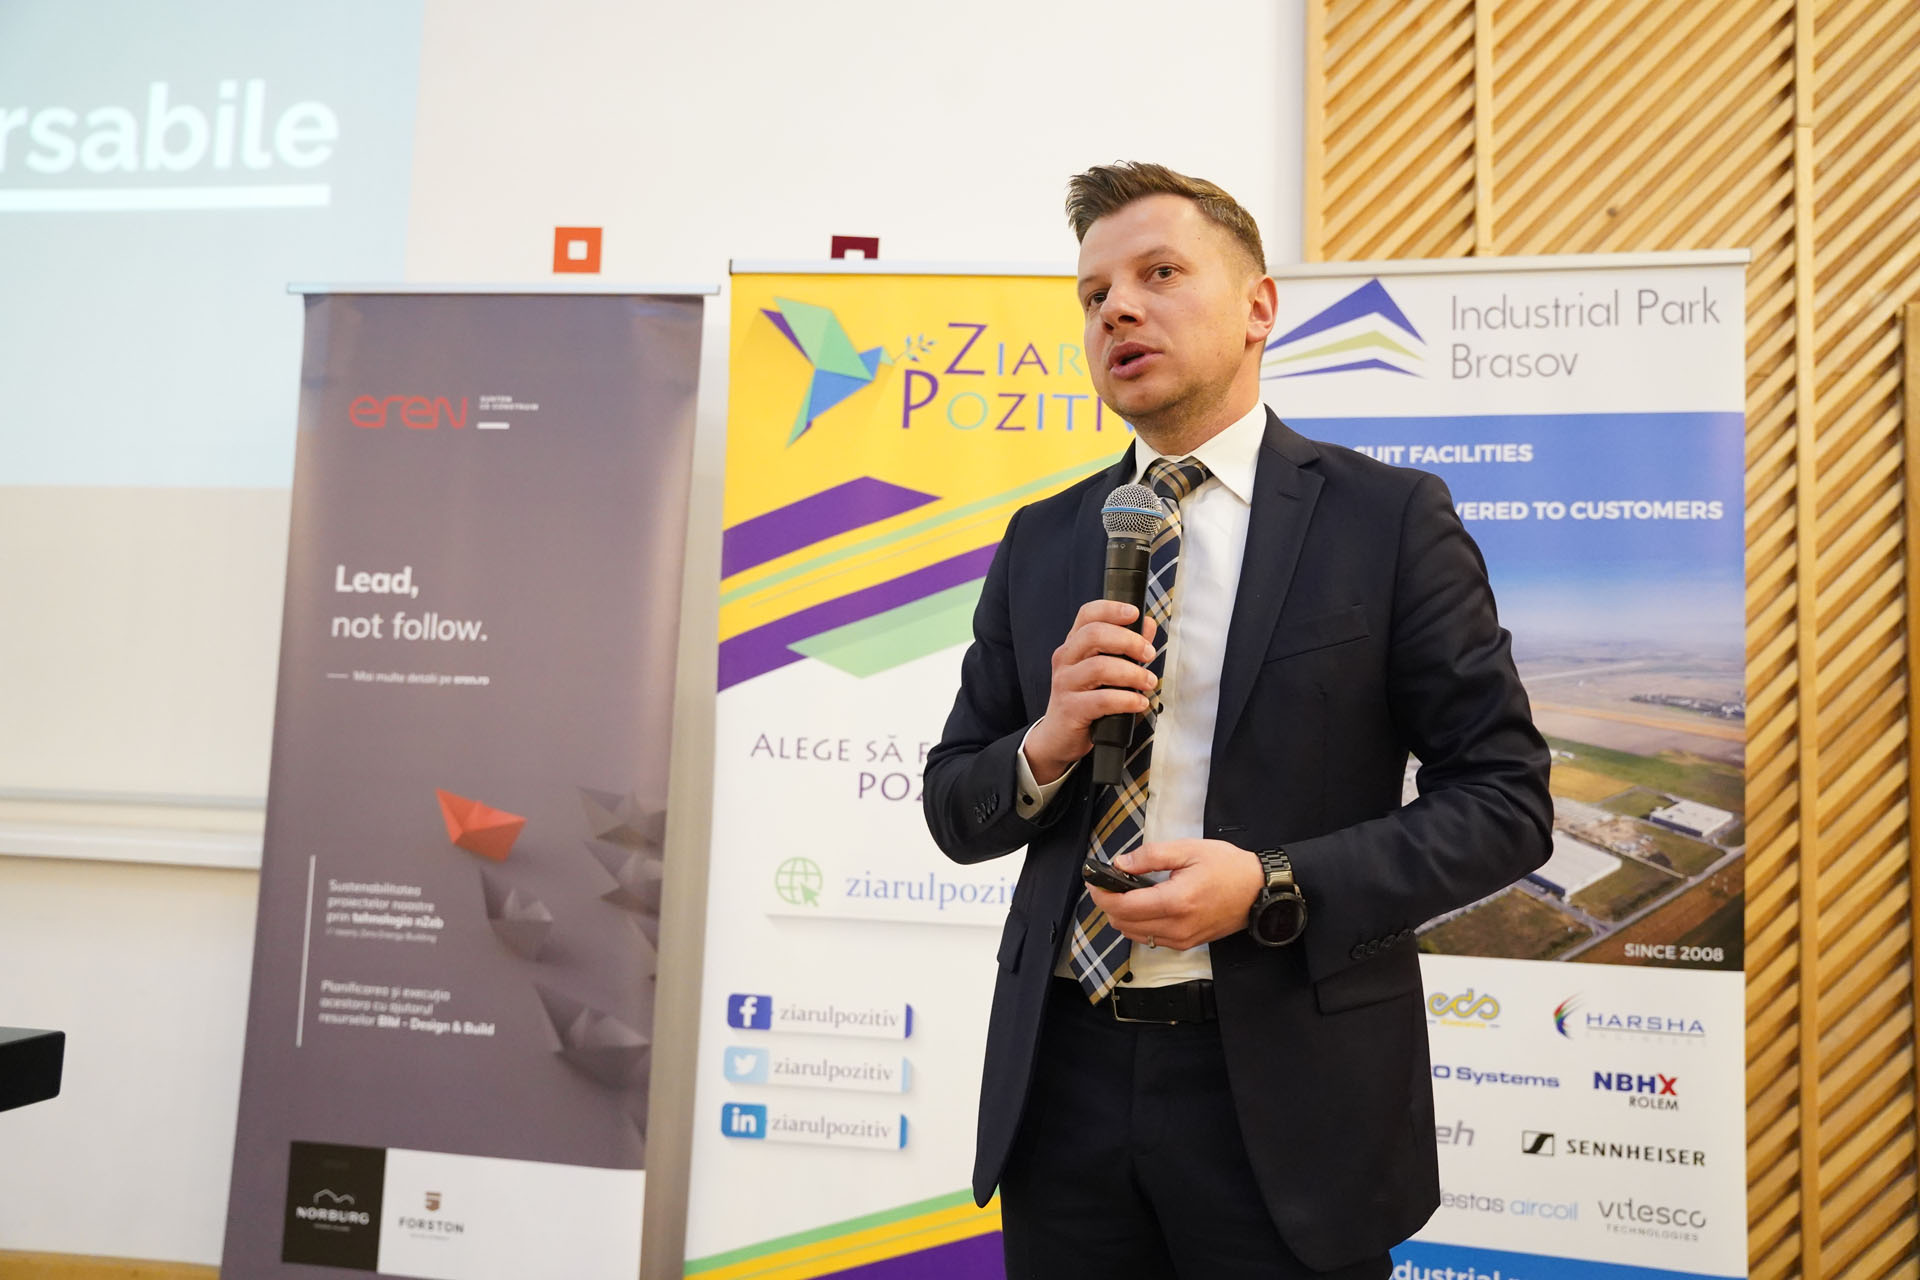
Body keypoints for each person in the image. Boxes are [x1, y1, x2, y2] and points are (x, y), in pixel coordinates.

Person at [921, 162, 1553, 1279]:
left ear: (1259, 307)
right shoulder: (1045, 537)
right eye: (1093, 294)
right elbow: (955, 806)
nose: (1117, 309)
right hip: (1060, 1085)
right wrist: (1046, 741)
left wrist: (1271, 884)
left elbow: (1505, 803)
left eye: (1160, 274)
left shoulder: (1387, 521)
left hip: (1287, 1097)